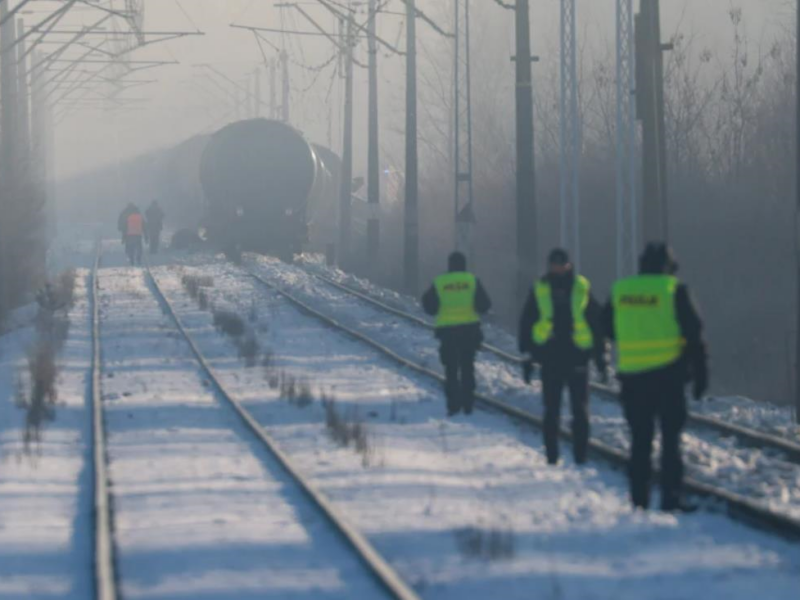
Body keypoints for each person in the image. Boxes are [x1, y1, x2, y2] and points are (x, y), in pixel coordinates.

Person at [603, 242, 708, 512]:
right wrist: (700, 376)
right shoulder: (674, 290)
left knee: (640, 441)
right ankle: (670, 499)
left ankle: (639, 499)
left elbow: (607, 328)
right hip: (668, 378)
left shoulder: (621, 290)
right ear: (669, 267)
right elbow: (695, 335)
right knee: (670, 442)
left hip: (633, 379)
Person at [518, 248, 606, 465]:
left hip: (575, 356)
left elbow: (596, 321)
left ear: (568, 264)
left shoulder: (581, 287)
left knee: (578, 411)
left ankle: (580, 456)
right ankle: (552, 456)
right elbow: (528, 320)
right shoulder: (541, 288)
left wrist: (600, 357)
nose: (558, 267)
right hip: (552, 356)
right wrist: (528, 354)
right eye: (554, 263)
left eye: (561, 263)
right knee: (552, 409)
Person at [422, 252, 492, 416]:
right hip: (469, 331)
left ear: (449, 265)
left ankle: (453, 405)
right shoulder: (472, 280)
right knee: (468, 367)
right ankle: (468, 404)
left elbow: (429, 306)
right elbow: (485, 305)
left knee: (451, 369)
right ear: (464, 264)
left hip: (448, 333)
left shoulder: (440, 282)